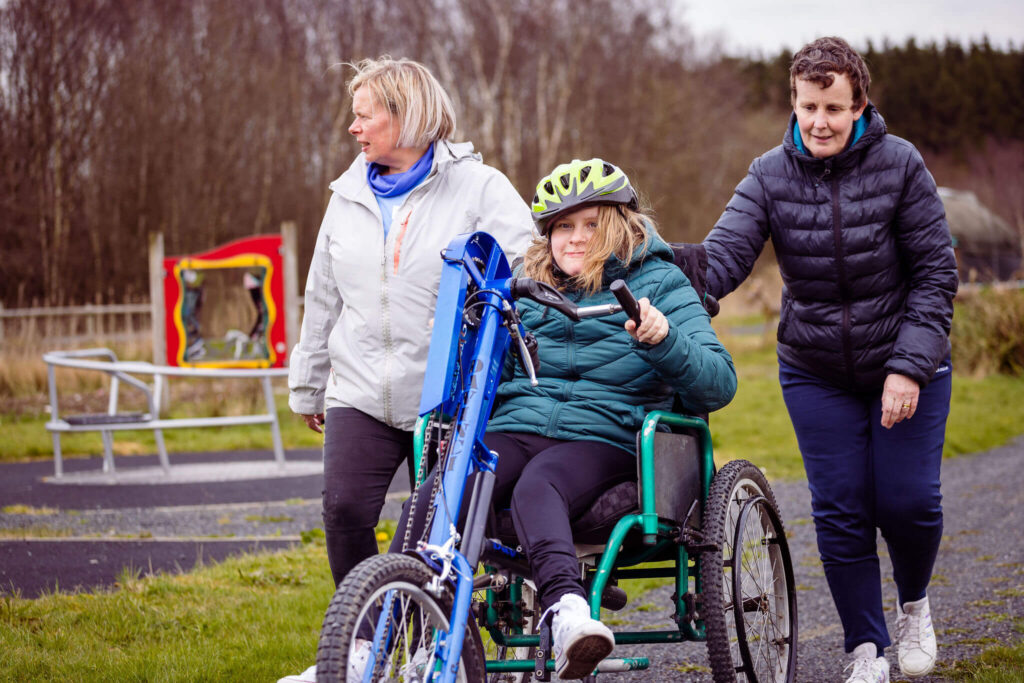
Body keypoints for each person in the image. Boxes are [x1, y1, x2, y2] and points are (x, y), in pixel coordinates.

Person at [371, 158, 737, 680]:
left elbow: (720, 384)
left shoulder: (663, 281)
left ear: (620, 224)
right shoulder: (524, 286)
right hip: (519, 429)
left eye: (591, 224)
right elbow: (482, 379)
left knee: (538, 484)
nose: (575, 238)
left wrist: (664, 339)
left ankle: (568, 614)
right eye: (563, 226)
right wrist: (460, 339)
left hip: (606, 435)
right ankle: (373, 643)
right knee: (439, 491)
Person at [701, 37, 958, 683]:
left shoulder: (901, 164)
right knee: (840, 506)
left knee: (907, 501)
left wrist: (907, 365)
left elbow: (935, 273)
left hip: (906, 359)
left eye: (834, 108)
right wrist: (647, 264)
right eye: (809, 105)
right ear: (794, 102)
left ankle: (914, 606)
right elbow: (723, 257)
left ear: (859, 105)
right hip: (815, 368)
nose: (819, 121)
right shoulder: (768, 173)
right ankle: (866, 648)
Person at [280, 56, 534, 683]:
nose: (354, 129)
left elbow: (526, 266)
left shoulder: (478, 187)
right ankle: (361, 646)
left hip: (444, 395)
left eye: (364, 115)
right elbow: (323, 297)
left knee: (424, 530)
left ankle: (425, 643)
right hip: (360, 389)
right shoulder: (346, 198)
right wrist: (309, 383)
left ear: (406, 114)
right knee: (343, 511)